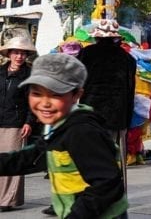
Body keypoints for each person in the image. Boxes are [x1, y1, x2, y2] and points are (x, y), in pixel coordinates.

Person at [0, 53, 128, 218]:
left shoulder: (82, 131)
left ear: (76, 95)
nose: (45, 103)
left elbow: (107, 183)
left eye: (56, 94)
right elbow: (29, 158)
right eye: (37, 94)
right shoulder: (58, 127)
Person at [77, 19, 136, 183]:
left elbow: (77, 83)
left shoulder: (86, 54)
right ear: (116, 38)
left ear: (96, 37)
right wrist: (127, 121)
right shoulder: (128, 59)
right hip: (116, 117)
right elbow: (130, 92)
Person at [0, 36, 36, 212]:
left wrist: (29, 122)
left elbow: (32, 101)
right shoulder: (0, 72)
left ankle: (8, 200)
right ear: (9, 54)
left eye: (23, 53)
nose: (19, 56)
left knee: (12, 162)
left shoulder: (29, 75)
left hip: (16, 123)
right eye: (16, 52)